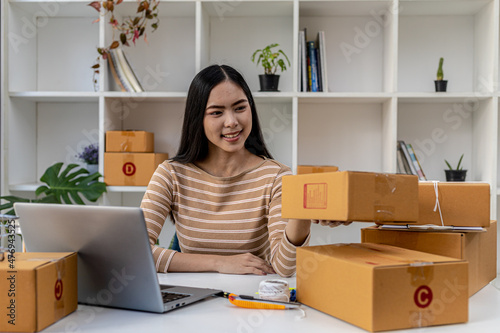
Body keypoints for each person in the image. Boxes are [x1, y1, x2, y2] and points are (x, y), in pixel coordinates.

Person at [140, 64, 349, 278]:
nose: (232, 122)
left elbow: (284, 268)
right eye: (217, 112)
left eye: (240, 108)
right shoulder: (171, 174)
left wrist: (303, 212)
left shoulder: (276, 177)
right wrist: (219, 263)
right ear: (198, 119)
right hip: (191, 299)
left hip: (250, 299)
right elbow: (137, 252)